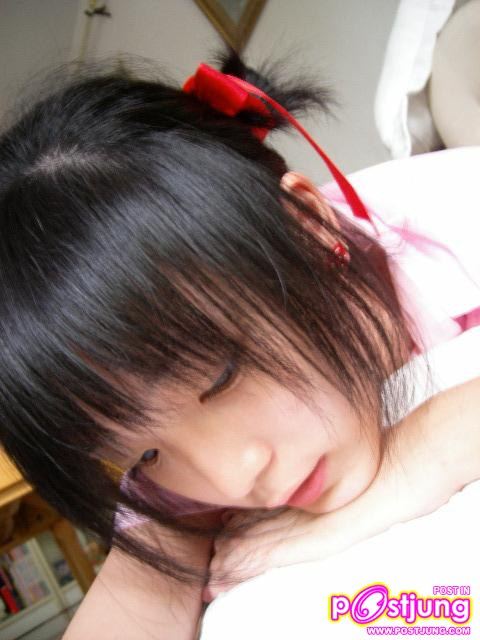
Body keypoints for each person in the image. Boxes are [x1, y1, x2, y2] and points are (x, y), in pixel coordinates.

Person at [0, 46, 478, 639]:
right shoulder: (178, 467)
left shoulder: (460, 208)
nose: (231, 478)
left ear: (309, 228)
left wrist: (418, 460)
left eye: (223, 378)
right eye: (144, 455)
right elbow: (134, 600)